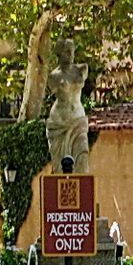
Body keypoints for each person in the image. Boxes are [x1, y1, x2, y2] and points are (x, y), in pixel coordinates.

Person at [43, 38, 90, 174]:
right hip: (59, 122)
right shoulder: (54, 76)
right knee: (59, 167)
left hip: (78, 119)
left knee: (83, 155)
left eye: (72, 51)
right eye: (66, 52)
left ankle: (82, 194)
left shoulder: (82, 69)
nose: (70, 54)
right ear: (59, 54)